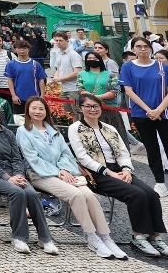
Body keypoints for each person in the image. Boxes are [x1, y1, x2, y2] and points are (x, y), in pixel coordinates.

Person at [67, 93, 168, 259]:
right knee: (136, 194)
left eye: (96, 106)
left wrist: (126, 169)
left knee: (152, 194)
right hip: (96, 174)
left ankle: (155, 237)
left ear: (101, 108)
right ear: (80, 108)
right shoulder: (75, 128)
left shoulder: (109, 128)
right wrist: (109, 172)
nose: (92, 109)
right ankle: (139, 237)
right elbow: (83, 157)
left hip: (119, 170)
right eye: (88, 106)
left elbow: (123, 152)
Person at [15, 96, 123, 260]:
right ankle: (91, 236)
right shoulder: (23, 132)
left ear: (46, 111)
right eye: (34, 108)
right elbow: (33, 159)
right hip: (40, 174)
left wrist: (64, 169)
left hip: (65, 172)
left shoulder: (53, 130)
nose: (37, 111)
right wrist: (58, 171)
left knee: (90, 196)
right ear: (28, 110)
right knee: (76, 195)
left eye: (41, 108)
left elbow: (66, 154)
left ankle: (105, 237)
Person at [0, 96, 56, 255]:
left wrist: (18, 175)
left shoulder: (7, 132)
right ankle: (19, 237)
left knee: (31, 193)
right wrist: (8, 178)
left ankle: (45, 238)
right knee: (16, 192)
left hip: (13, 173)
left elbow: (16, 158)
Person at [118, 37, 168, 201]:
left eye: (146, 46)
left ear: (151, 48)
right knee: (152, 150)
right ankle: (160, 183)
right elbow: (129, 91)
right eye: (139, 46)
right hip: (141, 114)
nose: (143, 49)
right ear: (133, 49)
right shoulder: (128, 67)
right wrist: (148, 110)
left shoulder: (163, 67)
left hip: (165, 114)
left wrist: (158, 110)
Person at [77, 51, 126, 138]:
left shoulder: (110, 74)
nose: (92, 60)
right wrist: (92, 98)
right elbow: (79, 89)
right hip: (89, 109)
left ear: (100, 60)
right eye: (89, 58)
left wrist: (97, 98)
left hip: (109, 109)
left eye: (95, 58)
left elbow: (116, 90)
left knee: (113, 136)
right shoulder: (81, 74)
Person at [3, 39, 46, 108]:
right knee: (19, 115)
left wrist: (42, 96)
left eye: (24, 48)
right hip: (18, 98)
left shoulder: (35, 64)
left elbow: (41, 80)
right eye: (19, 48)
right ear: (15, 50)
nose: (22, 50)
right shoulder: (11, 64)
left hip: (34, 97)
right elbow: (10, 80)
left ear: (28, 50)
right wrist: (13, 95)